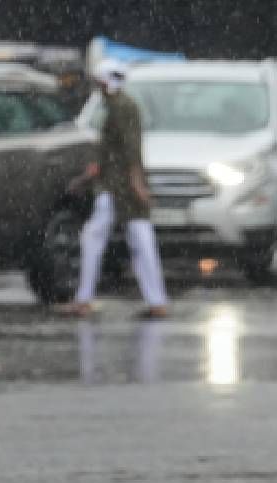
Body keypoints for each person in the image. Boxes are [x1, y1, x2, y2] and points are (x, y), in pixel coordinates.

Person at [57, 60, 168, 320]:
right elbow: (118, 150)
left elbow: (130, 150)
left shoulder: (121, 108)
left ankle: (86, 299)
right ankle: (156, 300)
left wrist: (136, 183)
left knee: (105, 239)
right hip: (118, 185)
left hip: (119, 187)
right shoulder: (120, 106)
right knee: (137, 241)